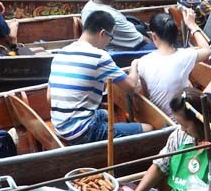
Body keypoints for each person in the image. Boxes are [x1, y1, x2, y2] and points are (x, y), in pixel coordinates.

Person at [48, 11, 153, 145]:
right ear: (103, 33)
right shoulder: (99, 56)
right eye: (111, 37)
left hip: (59, 126)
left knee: (105, 113)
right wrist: (134, 65)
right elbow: (130, 86)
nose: (109, 42)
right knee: (148, 129)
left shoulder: (61, 53)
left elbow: (49, 97)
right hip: (81, 131)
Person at [137, 12, 211, 116]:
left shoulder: (143, 61)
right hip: (185, 117)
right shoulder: (184, 55)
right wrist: (192, 25)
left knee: (188, 83)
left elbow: (147, 95)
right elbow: (207, 50)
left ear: (154, 36)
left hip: (163, 118)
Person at [81, 0, 153, 51]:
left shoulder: (86, 8)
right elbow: (141, 39)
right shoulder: (113, 17)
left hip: (104, 46)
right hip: (119, 52)